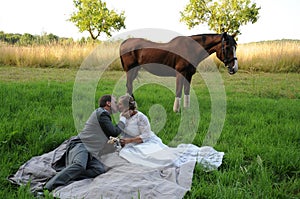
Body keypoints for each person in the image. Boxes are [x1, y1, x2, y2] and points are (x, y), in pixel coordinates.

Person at [44, 94, 129, 191]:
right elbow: (113, 132)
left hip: (91, 151)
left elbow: (107, 136)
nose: (117, 105)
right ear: (108, 103)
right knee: (79, 165)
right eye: (115, 102)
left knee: (98, 170)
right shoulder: (102, 113)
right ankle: (47, 188)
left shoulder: (104, 115)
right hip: (82, 145)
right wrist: (123, 118)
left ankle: (65, 175)